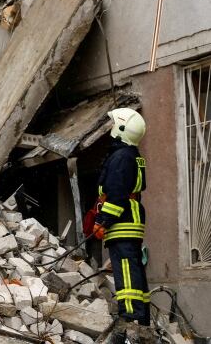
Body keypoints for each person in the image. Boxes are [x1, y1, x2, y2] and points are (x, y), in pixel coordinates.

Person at [92, 108, 151, 343]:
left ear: (122, 128)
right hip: (130, 220)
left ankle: (130, 325)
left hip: (122, 223)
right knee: (135, 274)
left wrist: (102, 220)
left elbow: (115, 194)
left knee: (126, 275)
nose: (111, 128)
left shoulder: (120, 157)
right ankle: (141, 323)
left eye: (114, 124)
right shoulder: (131, 154)